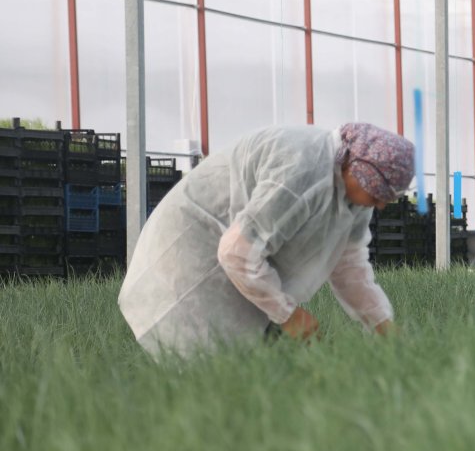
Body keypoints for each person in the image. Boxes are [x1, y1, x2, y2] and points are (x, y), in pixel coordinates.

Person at [118, 123, 414, 357]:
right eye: (377, 193)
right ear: (356, 169)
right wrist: (288, 314)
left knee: (251, 364)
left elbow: (349, 265)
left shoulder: (353, 198)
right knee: (202, 359)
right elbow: (237, 252)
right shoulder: (302, 169)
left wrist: (381, 324)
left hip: (240, 263)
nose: (380, 205)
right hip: (189, 254)